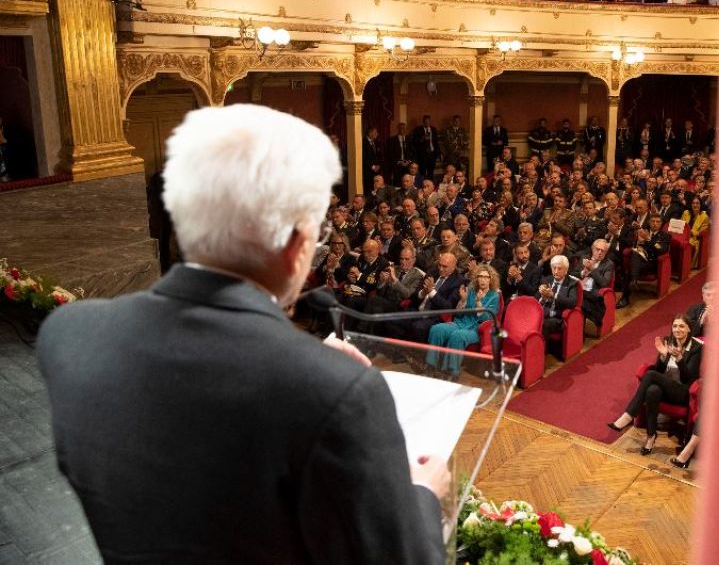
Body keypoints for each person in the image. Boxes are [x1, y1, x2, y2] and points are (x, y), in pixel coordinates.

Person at [36, 104, 448, 563]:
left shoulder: (69, 336)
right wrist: (423, 494)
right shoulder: (342, 393)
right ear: (296, 243)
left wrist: (304, 363)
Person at [607, 314, 703, 456]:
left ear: (689, 329)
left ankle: (628, 415)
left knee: (650, 375)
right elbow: (658, 371)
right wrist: (663, 357)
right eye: (675, 326)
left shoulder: (696, 348)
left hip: (682, 392)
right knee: (652, 390)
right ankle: (651, 437)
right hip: (665, 388)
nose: (677, 329)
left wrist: (680, 359)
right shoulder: (668, 341)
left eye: (682, 326)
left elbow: (689, 379)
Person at [425, 265, 500, 379]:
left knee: (457, 336)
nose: (483, 280)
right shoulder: (470, 291)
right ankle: (431, 365)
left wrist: (479, 302)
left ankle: (451, 371)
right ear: (476, 278)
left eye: (486, 277)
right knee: (437, 329)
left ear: (491, 279)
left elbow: (487, 319)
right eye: (480, 276)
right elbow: (458, 313)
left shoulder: (494, 295)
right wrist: (463, 300)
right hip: (460, 323)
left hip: (477, 329)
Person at [536, 255, 579, 337]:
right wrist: (542, 297)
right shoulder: (546, 280)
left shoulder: (572, 284)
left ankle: (539, 348)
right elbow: (535, 299)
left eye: (559, 268)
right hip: (543, 314)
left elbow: (572, 303)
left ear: (566, 270)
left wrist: (554, 295)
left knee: (544, 324)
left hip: (558, 318)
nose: (556, 271)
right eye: (554, 268)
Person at [681, 196, 710, 268]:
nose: (695, 205)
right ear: (691, 205)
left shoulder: (704, 216)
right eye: (693, 203)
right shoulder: (686, 213)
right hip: (683, 235)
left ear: (700, 205)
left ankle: (687, 265)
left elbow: (702, 232)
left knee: (689, 243)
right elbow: (681, 224)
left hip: (695, 238)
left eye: (697, 203)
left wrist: (690, 232)